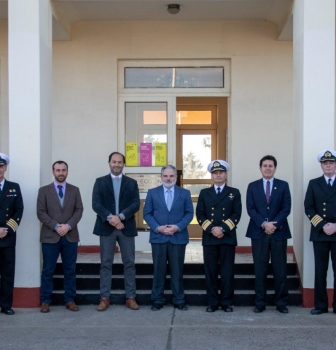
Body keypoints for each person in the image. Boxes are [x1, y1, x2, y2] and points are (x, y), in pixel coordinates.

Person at [93, 152, 140, 311]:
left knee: (129, 263)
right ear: (109, 163)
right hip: (106, 228)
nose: (117, 165)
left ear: (123, 164)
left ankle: (130, 297)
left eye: (120, 162)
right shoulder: (100, 182)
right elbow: (96, 204)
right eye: (114, 162)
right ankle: (104, 298)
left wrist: (120, 217)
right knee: (106, 263)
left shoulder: (132, 183)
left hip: (126, 228)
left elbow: (135, 204)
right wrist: (111, 218)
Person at [143, 165, 193, 311]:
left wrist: (178, 226)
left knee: (177, 270)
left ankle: (179, 299)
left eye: (171, 176)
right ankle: (157, 299)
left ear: (176, 177)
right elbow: (147, 213)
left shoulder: (184, 193)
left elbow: (189, 213)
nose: (168, 179)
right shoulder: (153, 193)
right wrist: (158, 228)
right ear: (161, 177)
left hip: (178, 236)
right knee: (159, 270)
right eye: (165, 176)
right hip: (158, 237)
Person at [246, 155, 291, 314]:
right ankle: (260, 302)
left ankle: (281, 303)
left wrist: (274, 224)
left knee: (280, 269)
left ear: (275, 168)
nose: (267, 168)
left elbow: (286, 208)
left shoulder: (283, 185)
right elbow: (250, 209)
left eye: (270, 166)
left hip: (279, 233)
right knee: (260, 269)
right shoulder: (252, 186)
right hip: (259, 232)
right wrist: (264, 224)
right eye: (264, 165)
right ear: (260, 168)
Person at [37, 161, 83, 313]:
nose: (61, 173)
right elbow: (41, 212)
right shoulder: (44, 191)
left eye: (63, 170)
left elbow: (79, 210)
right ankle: (45, 301)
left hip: (70, 236)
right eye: (58, 170)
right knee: (48, 270)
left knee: (70, 270)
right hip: (50, 236)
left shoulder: (75, 190)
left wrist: (68, 226)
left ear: (67, 171)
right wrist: (57, 226)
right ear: (53, 172)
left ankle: (70, 300)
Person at [196, 160, 242, 313]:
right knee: (211, 271)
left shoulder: (234, 192)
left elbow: (236, 214)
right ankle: (212, 302)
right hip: (209, 238)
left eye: (221, 172)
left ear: (225, 174)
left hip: (227, 237)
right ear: (212, 175)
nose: (218, 175)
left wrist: (222, 228)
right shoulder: (204, 193)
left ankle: (227, 302)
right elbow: (200, 215)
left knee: (227, 271)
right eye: (215, 173)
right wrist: (212, 229)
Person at [304, 149, 336, 315]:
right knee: (320, 270)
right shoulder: (314, 183)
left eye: (331, 163)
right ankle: (321, 305)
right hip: (320, 233)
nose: (328, 165)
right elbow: (308, 207)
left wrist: (335, 226)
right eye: (325, 163)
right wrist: (323, 225)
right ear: (321, 166)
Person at [0, 153, 24, 315]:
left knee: (8, 273)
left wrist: (6, 229)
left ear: (5, 167)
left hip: (7, 237)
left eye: (1, 166)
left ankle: (6, 305)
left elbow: (18, 210)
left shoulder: (13, 187)